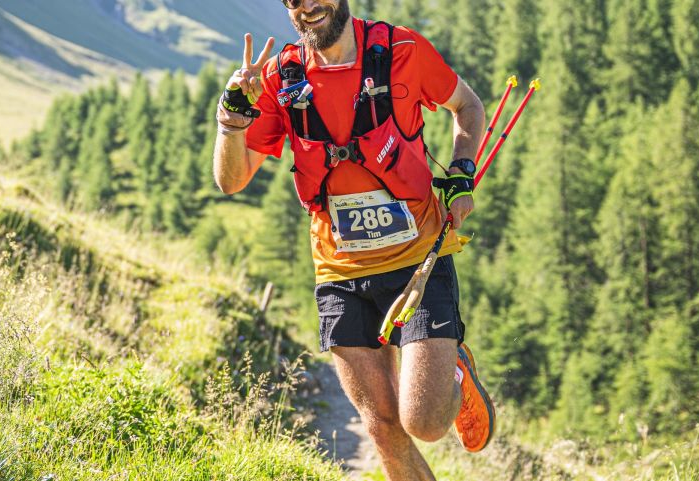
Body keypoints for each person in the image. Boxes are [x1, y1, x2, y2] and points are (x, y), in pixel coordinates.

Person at [212, 1, 495, 478]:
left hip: (416, 260)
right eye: (293, 0)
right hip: (340, 273)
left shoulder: (401, 49)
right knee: (383, 428)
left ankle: (454, 371)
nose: (307, 6)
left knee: (423, 422)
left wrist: (461, 172)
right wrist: (231, 121)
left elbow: (467, 106)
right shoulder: (282, 80)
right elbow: (231, 180)